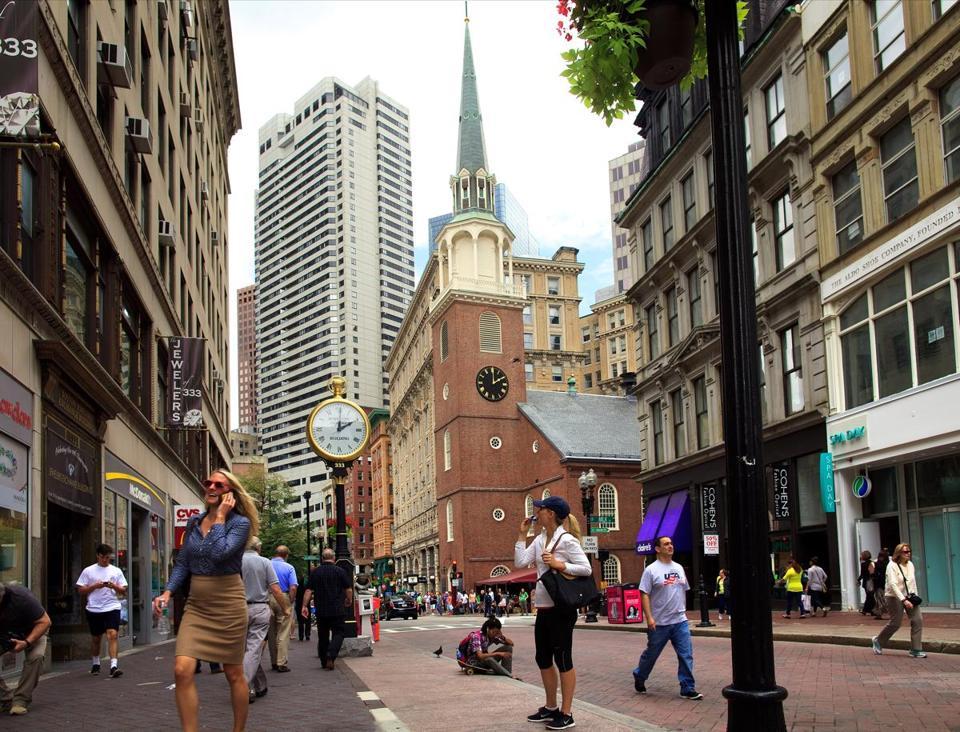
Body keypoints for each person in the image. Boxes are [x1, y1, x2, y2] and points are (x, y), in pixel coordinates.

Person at [152, 469, 258, 732]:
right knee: (181, 669)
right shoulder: (193, 523)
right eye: (208, 482)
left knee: (234, 673)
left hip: (228, 604)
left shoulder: (239, 524)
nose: (211, 487)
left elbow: (219, 553)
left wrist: (220, 517)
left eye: (218, 485)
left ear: (229, 493)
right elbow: (183, 563)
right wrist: (167, 592)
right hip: (197, 605)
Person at [515, 495, 591, 730]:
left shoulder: (567, 541)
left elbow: (586, 569)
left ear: (551, 514)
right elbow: (520, 562)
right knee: (543, 657)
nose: (537, 511)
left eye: (541, 508)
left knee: (563, 659)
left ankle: (567, 713)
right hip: (544, 607)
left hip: (562, 608)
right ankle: (550, 707)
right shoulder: (539, 539)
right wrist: (521, 535)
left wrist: (560, 565)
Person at [631, 536, 703, 701]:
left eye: (671, 543)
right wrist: (649, 617)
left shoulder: (678, 568)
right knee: (652, 654)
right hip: (659, 623)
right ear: (657, 549)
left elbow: (682, 590)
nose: (670, 546)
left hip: (680, 620)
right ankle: (640, 675)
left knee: (686, 655)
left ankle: (687, 688)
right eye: (666, 544)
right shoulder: (651, 570)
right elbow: (644, 594)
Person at [241, 537, 290, 704]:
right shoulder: (264, 562)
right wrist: (285, 608)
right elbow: (276, 589)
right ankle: (245, 687)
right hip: (259, 607)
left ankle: (260, 684)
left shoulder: (234, 562)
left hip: (238, 609)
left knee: (246, 649)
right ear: (258, 548)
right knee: (253, 649)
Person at [75, 543, 128, 677]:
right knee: (96, 638)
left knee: (112, 634)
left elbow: (123, 590)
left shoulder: (116, 571)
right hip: (94, 608)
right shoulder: (88, 571)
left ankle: (113, 666)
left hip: (112, 606)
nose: (105, 560)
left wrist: (113, 586)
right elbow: (80, 590)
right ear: (98, 556)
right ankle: (96, 663)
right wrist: (94, 586)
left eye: (108, 557)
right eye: (103, 557)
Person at [0, 582, 52, 716]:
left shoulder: (21, 598)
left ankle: (20, 700)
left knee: (36, 657)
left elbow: (45, 621)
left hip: (33, 630)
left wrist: (26, 642)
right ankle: (6, 698)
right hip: (5, 633)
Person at [302, 548, 353, 670]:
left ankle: (324, 660)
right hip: (337, 608)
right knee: (339, 633)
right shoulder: (340, 571)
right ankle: (331, 653)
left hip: (321, 609)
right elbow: (348, 588)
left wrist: (304, 605)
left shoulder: (315, 572)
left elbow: (309, 590)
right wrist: (349, 600)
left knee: (323, 636)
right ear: (334, 558)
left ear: (322, 558)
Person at [873, 543, 926, 658]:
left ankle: (916, 649)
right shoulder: (891, 565)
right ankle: (878, 641)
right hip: (893, 596)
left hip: (909, 596)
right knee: (896, 623)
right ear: (899, 553)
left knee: (917, 620)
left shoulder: (910, 564)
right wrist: (903, 600)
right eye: (905, 552)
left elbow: (912, 582)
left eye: (909, 551)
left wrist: (914, 597)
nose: (908, 554)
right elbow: (893, 585)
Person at [268, 545, 297, 673]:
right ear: (286, 555)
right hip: (283, 596)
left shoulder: (266, 564)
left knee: (271, 632)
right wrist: (290, 601)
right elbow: (293, 587)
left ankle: (274, 661)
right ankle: (281, 662)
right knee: (283, 631)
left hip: (268, 597)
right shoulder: (289, 567)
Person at [296, 566, 312, 642]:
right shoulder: (306, 587)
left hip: (299, 604)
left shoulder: (297, 588)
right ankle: (307, 634)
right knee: (308, 620)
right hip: (306, 604)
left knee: (300, 621)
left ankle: (301, 635)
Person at [872, 550, 890, 619]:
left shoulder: (878, 564)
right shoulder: (887, 564)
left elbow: (874, 574)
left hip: (880, 584)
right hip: (882, 583)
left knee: (881, 599)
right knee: (880, 599)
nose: (880, 558)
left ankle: (884, 613)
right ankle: (880, 613)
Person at [858, 551, 876, 617]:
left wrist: (858, 580)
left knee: (869, 596)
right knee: (870, 596)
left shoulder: (863, 564)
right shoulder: (872, 563)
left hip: (866, 582)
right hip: (871, 581)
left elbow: (862, 574)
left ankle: (867, 610)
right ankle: (870, 610)